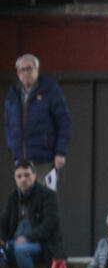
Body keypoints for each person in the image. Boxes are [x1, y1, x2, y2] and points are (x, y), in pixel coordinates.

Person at [5, 54, 71, 191]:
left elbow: (64, 123)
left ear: (37, 70)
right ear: (17, 73)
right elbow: (8, 124)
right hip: (21, 161)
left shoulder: (50, 91)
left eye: (29, 69)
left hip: (45, 159)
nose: (25, 73)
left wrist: (60, 152)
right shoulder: (13, 95)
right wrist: (13, 146)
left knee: (44, 197)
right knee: (25, 199)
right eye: (22, 70)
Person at [0, 161, 62, 268]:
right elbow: (3, 222)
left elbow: (50, 224)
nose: (23, 179)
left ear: (34, 175)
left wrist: (27, 237)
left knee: (22, 249)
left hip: (42, 245)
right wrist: (2, 239)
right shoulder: (13, 197)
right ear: (15, 178)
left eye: (27, 175)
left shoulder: (47, 195)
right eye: (19, 176)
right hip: (14, 244)